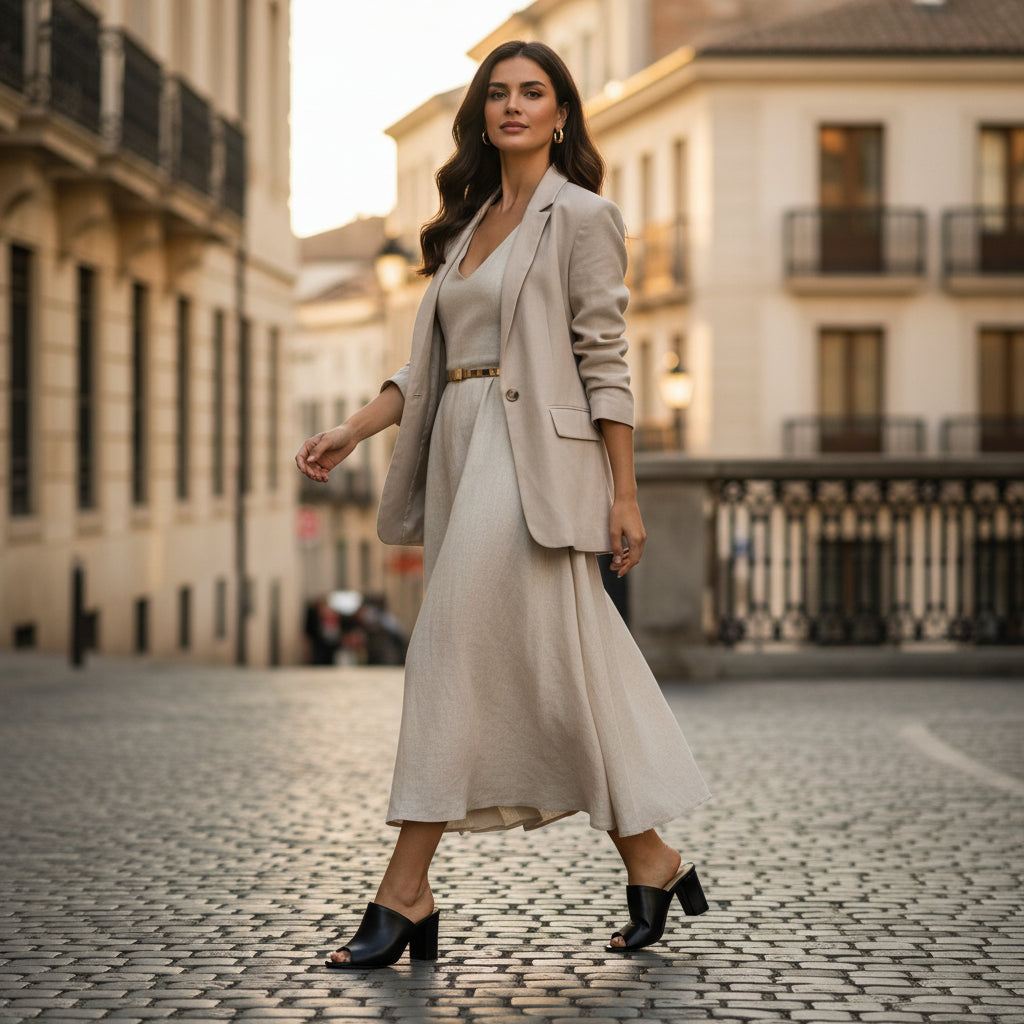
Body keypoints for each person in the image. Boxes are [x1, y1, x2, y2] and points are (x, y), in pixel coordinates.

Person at [295, 40, 711, 969]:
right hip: (457, 445)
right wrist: (355, 430)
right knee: (561, 667)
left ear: (562, 112)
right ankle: (653, 858)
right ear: (483, 113)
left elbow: (606, 358)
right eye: (499, 93)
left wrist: (625, 492)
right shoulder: (470, 221)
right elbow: (429, 364)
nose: (514, 105)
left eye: (533, 92)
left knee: (443, 646)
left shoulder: (585, 216)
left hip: (533, 464)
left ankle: (404, 891)